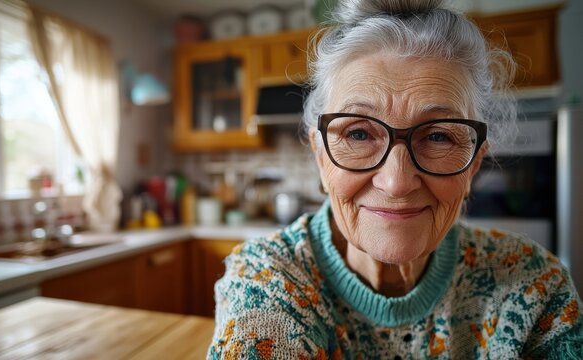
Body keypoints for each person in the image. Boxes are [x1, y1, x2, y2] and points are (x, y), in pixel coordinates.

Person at [207, 0, 583, 358]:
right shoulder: (268, 283)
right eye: (358, 133)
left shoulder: (533, 283)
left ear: (473, 164)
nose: (396, 182)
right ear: (321, 157)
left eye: (438, 136)